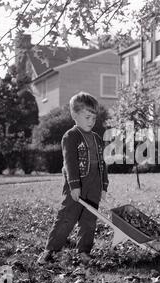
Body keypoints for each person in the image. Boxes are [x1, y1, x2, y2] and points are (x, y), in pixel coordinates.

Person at [37, 92, 109, 265]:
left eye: (93, 118)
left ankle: (84, 251)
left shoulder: (98, 139)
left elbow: (102, 164)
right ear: (75, 115)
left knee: (89, 220)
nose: (91, 121)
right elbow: (70, 162)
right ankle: (51, 250)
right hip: (76, 183)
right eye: (87, 117)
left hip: (94, 184)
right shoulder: (71, 136)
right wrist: (74, 185)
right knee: (66, 217)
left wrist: (104, 186)